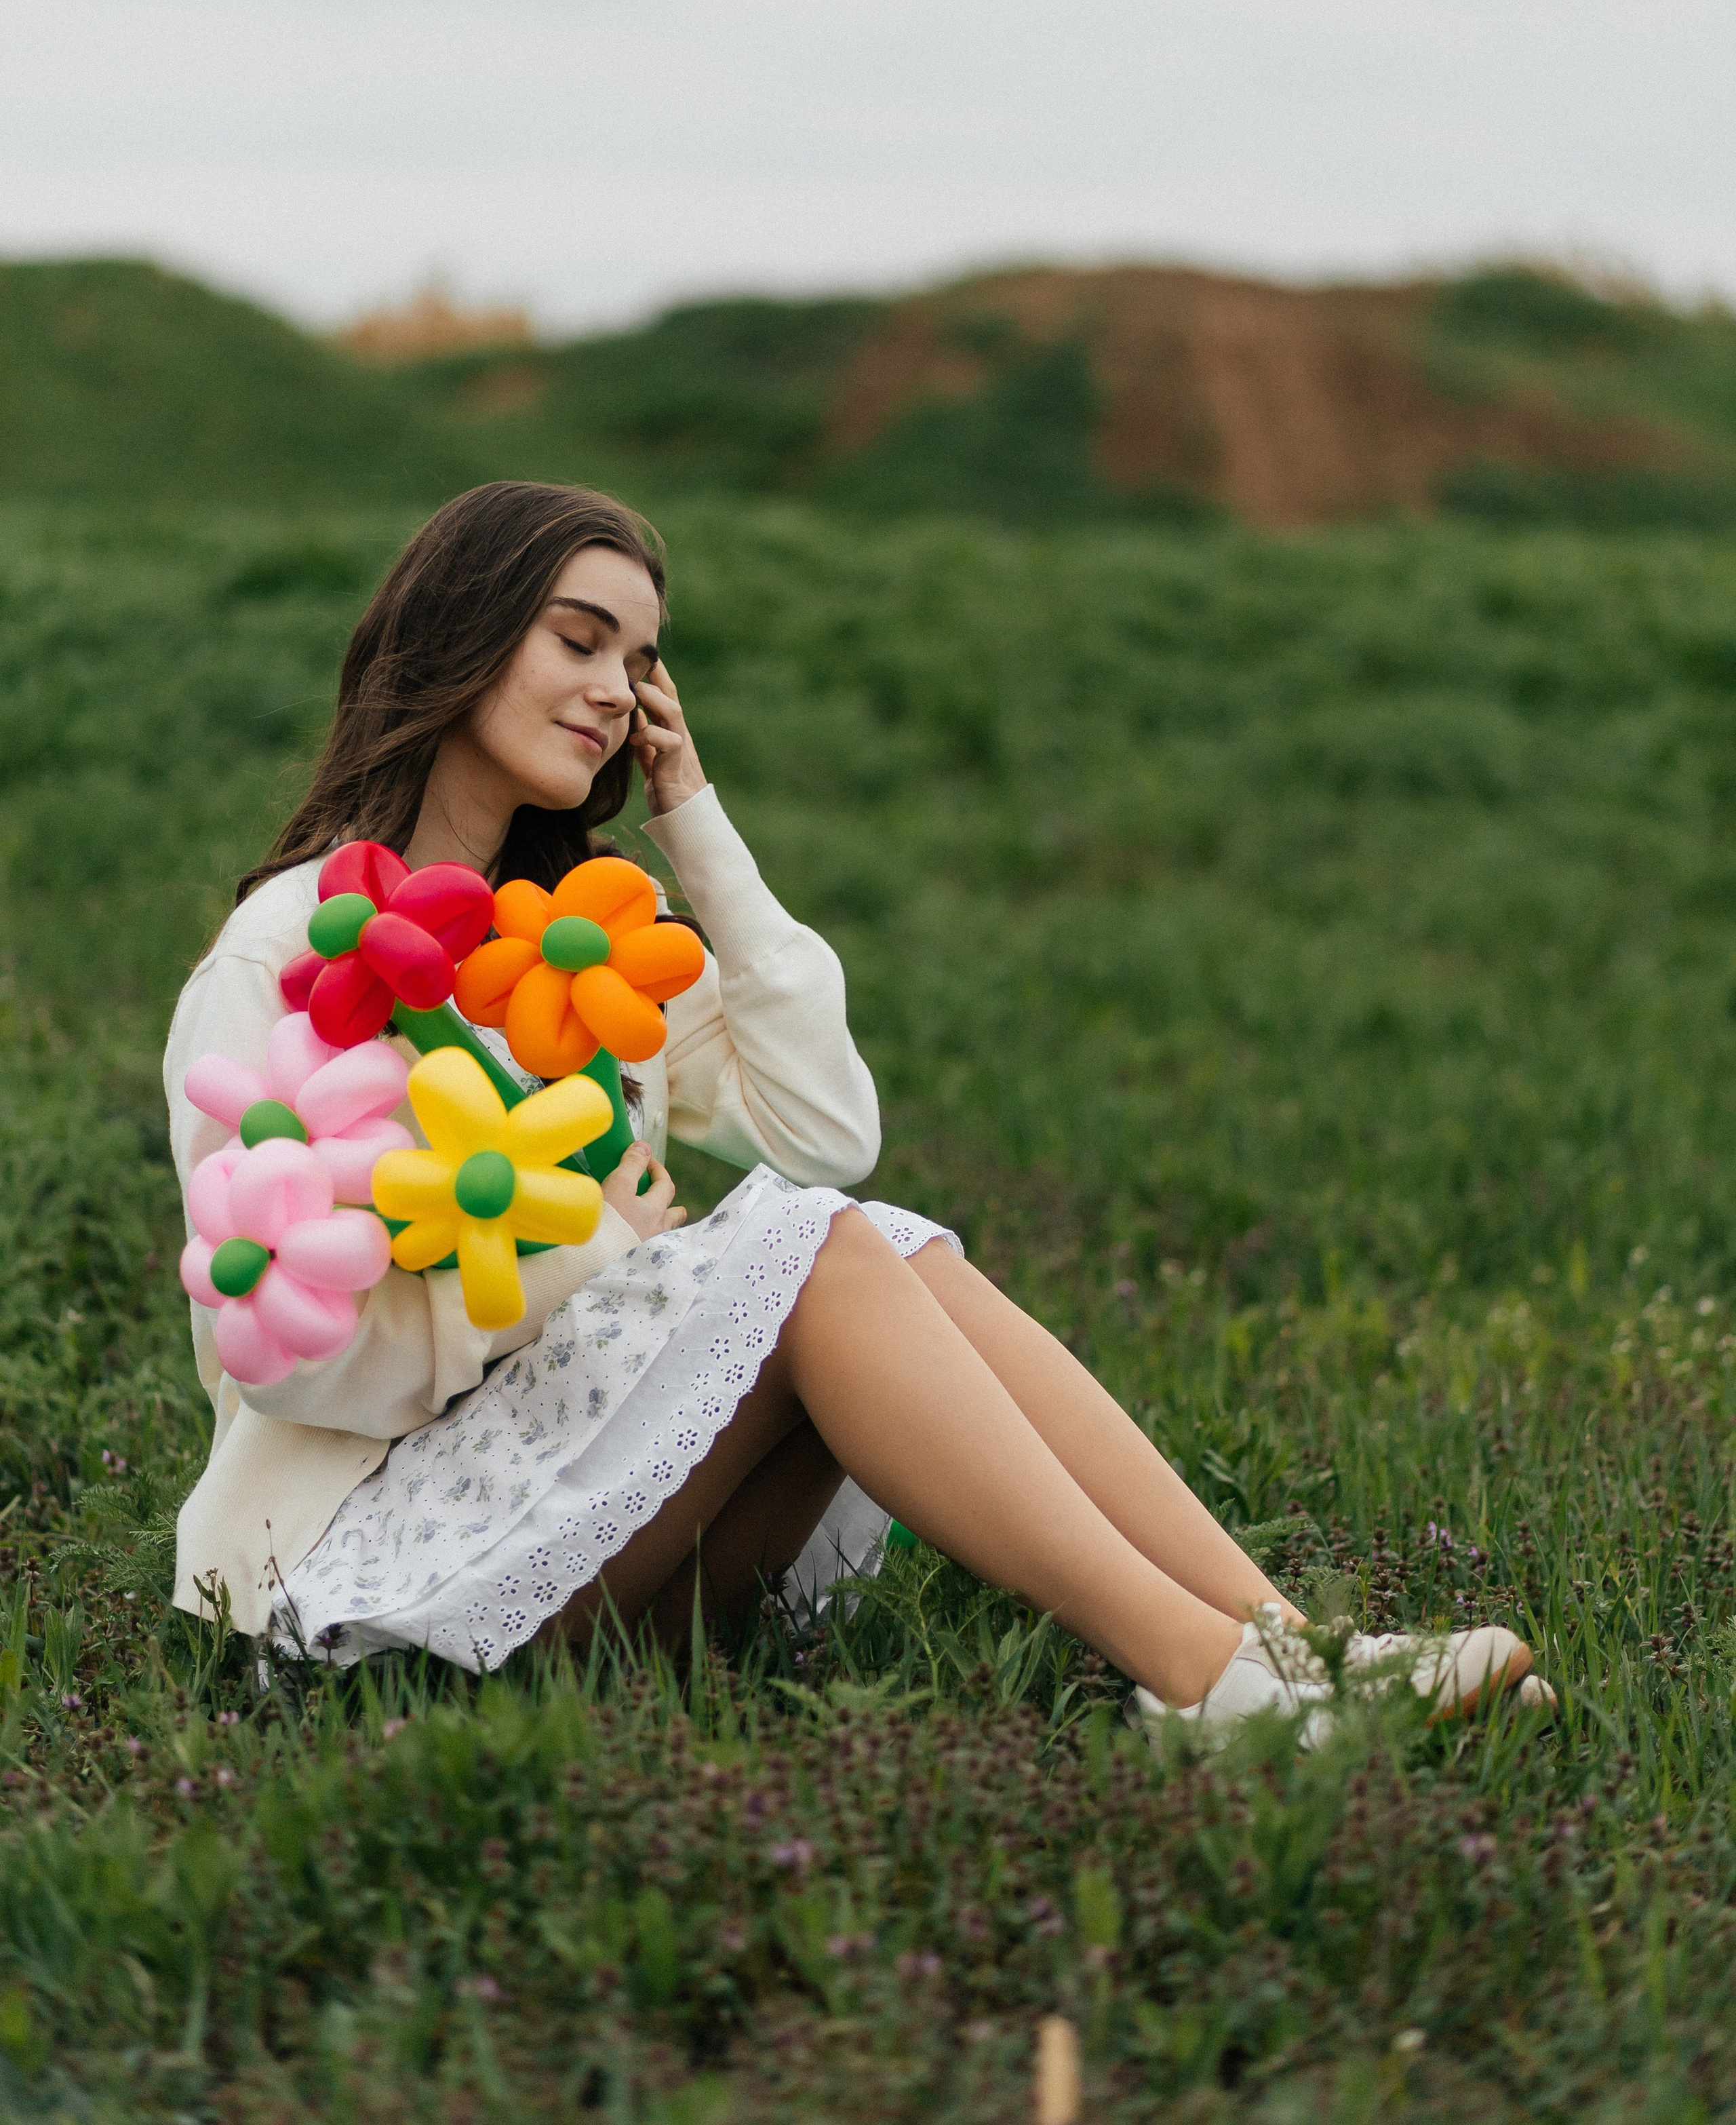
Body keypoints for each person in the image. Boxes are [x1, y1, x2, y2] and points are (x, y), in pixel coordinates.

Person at [165, 480, 1551, 1736]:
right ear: (460, 636)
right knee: (817, 1243)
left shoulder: (563, 944)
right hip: (359, 1581)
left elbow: (822, 1130)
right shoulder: (292, 948)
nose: (614, 693)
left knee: (869, 1232)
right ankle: (1212, 1685)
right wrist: (596, 1249)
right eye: (578, 642)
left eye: (640, 666)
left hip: (578, 1537)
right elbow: (285, 1355)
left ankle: (1300, 1656)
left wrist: (692, 819)